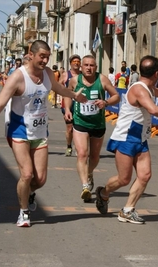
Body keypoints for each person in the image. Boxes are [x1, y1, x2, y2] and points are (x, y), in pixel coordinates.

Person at [0, 40, 88, 228]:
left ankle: (26, 192)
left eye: (47, 56)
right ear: (31, 54)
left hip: (40, 131)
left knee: (40, 179)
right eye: (42, 56)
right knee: (27, 174)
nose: (45, 60)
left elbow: (57, 88)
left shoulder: (48, 74)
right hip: (19, 130)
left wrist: (74, 95)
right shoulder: (18, 78)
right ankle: (24, 212)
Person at [95, 55, 158, 224]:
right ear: (157, 73)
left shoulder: (149, 87)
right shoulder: (139, 89)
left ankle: (127, 210)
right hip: (126, 137)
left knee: (145, 175)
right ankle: (103, 193)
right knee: (123, 179)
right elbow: (153, 109)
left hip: (140, 137)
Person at [64, 55, 120, 203]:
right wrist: (68, 109)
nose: (89, 68)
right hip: (80, 122)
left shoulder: (102, 80)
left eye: (92, 65)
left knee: (94, 157)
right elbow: (67, 94)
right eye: (86, 65)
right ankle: (85, 186)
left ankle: (89, 173)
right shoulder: (75, 81)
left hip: (98, 124)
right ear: (81, 67)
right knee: (82, 154)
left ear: (96, 67)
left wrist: (105, 102)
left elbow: (117, 96)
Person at [59, 54, 81, 156]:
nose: (76, 63)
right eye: (74, 62)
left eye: (78, 62)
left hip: (80, 104)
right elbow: (58, 87)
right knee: (69, 128)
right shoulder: (65, 74)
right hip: (68, 104)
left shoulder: (83, 75)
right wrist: (62, 96)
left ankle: (78, 147)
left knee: (79, 127)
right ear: (70, 63)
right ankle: (69, 146)